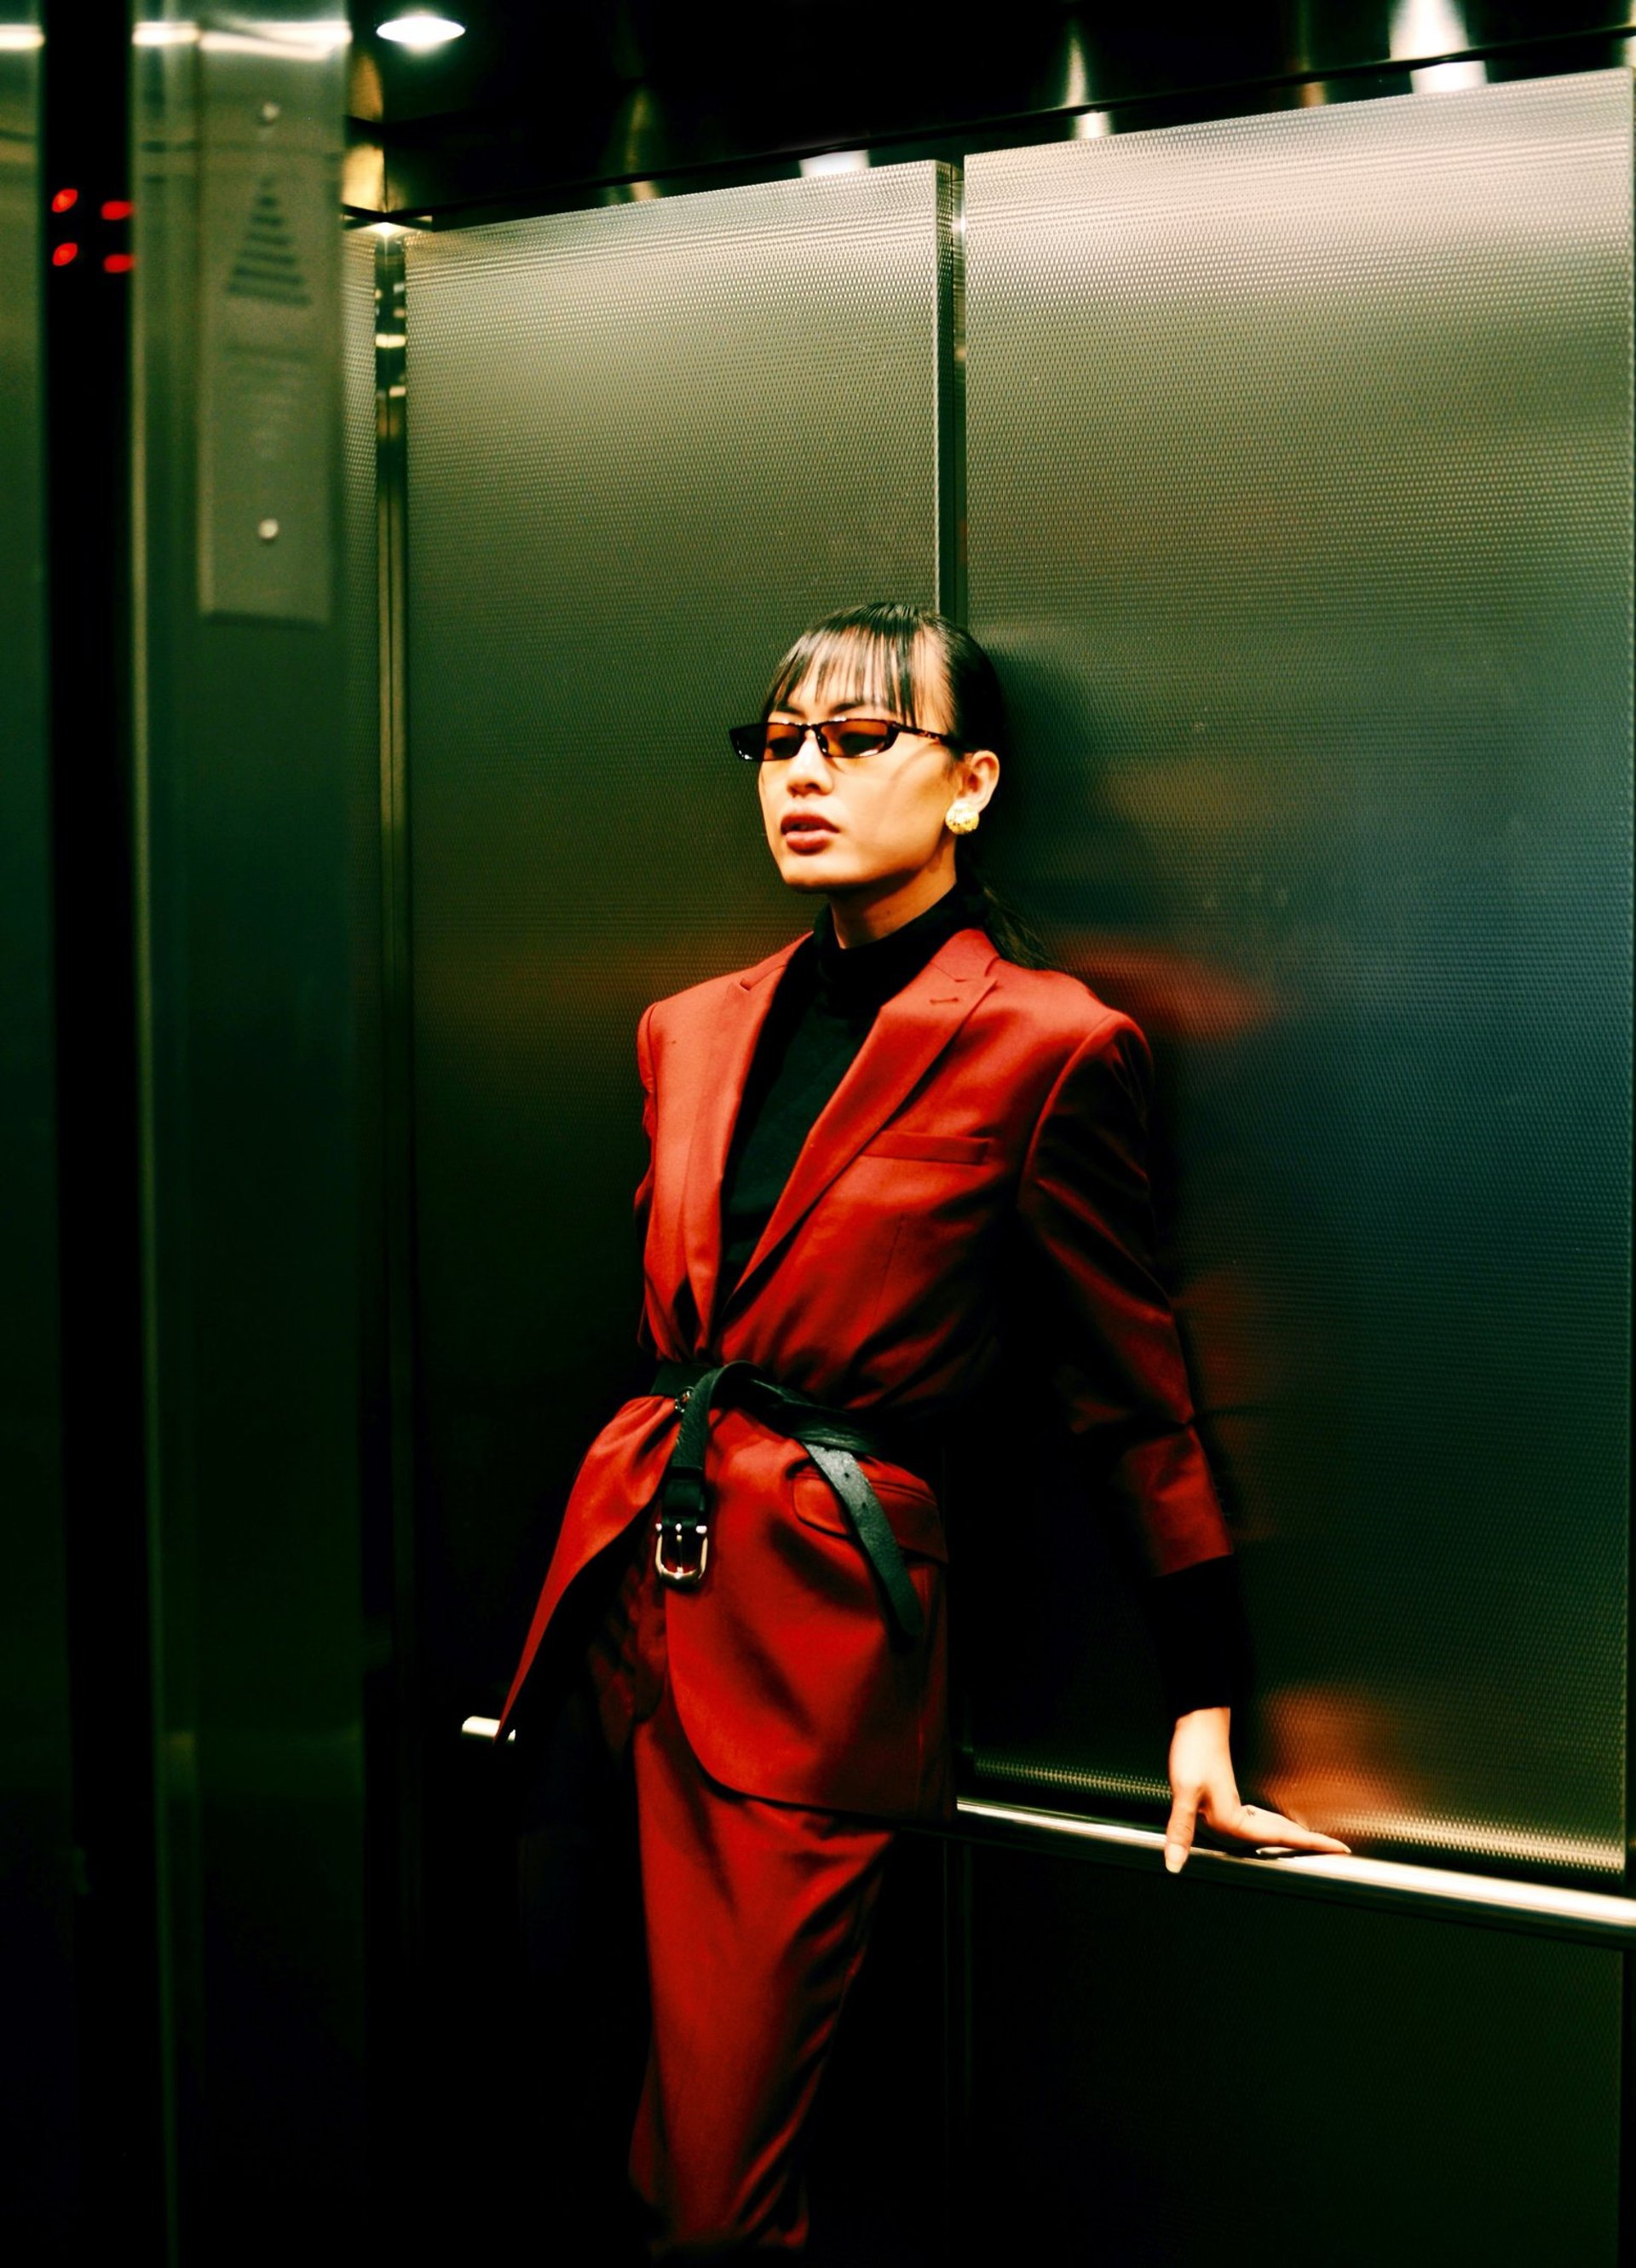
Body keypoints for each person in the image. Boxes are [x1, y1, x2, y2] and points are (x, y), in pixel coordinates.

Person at [497, 600, 1349, 2261]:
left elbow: (1133, 1391)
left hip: (821, 1639)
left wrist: (1200, 1687)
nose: (803, 773)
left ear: (967, 787)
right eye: (779, 740)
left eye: (858, 739)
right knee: (616, 2125)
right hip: (621, 1607)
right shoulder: (692, 1026)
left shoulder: (1045, 1041)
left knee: (730, 2183)